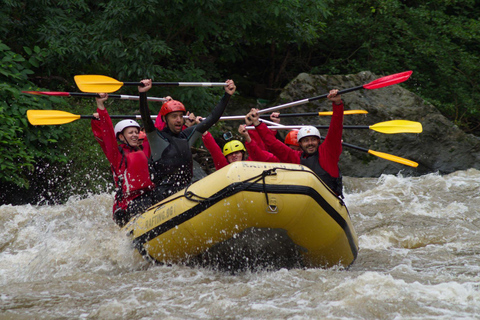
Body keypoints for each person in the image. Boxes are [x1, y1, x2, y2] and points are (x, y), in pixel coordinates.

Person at [138, 78, 236, 200]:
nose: (179, 120)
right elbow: (146, 119)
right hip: (162, 197)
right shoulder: (157, 138)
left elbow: (211, 119)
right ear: (164, 120)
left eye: (180, 116)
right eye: (174, 116)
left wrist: (227, 95)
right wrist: (143, 94)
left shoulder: (186, 137)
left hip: (185, 193)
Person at [249, 89, 344, 197]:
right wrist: (257, 123)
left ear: (318, 141)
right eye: (306, 141)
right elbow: (273, 143)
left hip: (330, 199)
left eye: (313, 140)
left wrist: (337, 103)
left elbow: (336, 127)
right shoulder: (295, 157)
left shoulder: (328, 152)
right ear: (300, 144)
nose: (310, 143)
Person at [91, 94, 156, 227]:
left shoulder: (144, 149)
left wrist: (167, 109)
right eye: (130, 133)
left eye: (136, 132)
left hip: (147, 196)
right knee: (143, 205)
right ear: (121, 136)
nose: (134, 135)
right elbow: (107, 135)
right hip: (127, 204)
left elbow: (156, 131)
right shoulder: (116, 155)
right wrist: (101, 109)